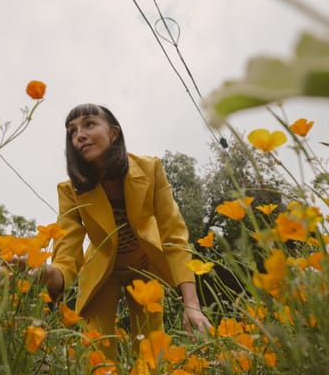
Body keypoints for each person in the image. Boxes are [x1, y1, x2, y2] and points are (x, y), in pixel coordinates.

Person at [41, 103, 211, 361]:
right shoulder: (69, 190)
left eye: (89, 124)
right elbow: (68, 248)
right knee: (96, 350)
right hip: (102, 273)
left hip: (144, 266)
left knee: (151, 349)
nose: (79, 135)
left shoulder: (150, 168)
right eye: (72, 131)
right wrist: (47, 274)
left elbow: (173, 236)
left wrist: (192, 304)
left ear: (114, 133)